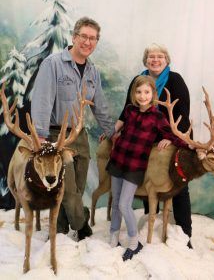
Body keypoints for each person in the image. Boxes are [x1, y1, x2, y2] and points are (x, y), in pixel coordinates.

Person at [31, 17, 115, 240]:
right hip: (57, 136)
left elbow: (100, 105)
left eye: (93, 38)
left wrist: (113, 132)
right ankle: (82, 224)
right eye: (84, 37)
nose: (88, 42)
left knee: (75, 188)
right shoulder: (53, 64)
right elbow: (41, 101)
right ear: (74, 37)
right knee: (67, 191)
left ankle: (59, 229)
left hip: (81, 136)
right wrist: (40, 137)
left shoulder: (92, 71)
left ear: (96, 41)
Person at [117, 43, 193, 248]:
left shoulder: (175, 80)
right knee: (147, 177)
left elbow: (184, 115)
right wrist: (116, 131)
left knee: (178, 183)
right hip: (147, 138)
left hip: (174, 138)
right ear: (146, 60)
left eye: (160, 56)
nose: (155, 60)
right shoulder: (139, 80)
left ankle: (186, 232)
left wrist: (172, 137)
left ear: (166, 59)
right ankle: (153, 216)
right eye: (151, 56)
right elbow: (128, 109)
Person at [107, 75, 187, 261]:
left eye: (146, 92)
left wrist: (168, 138)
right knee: (116, 200)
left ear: (153, 94)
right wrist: (111, 133)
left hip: (135, 167)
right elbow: (119, 125)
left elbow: (174, 136)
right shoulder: (129, 111)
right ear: (134, 94)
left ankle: (134, 241)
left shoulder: (157, 117)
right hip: (118, 160)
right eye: (138, 92)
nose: (142, 96)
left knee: (124, 204)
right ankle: (113, 236)